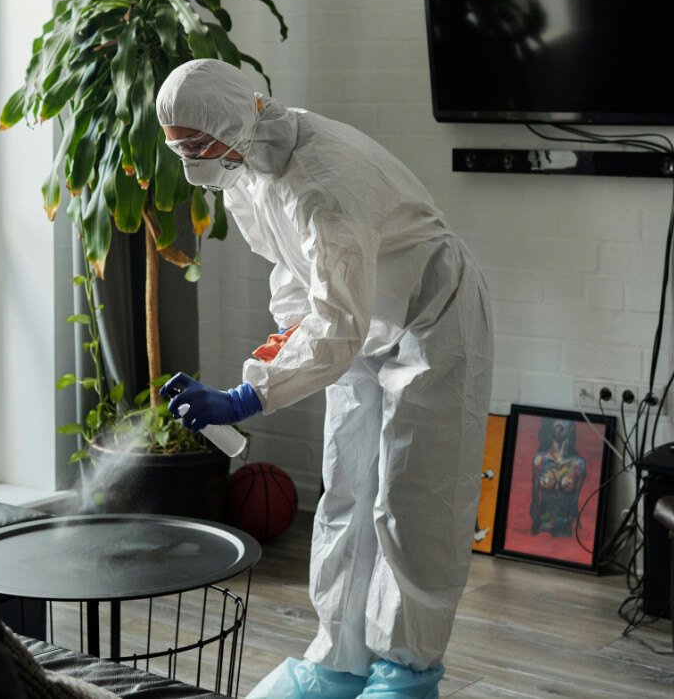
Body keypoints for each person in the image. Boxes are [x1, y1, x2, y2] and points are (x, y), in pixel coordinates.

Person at [157, 58, 492, 699]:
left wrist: (246, 394)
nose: (193, 157)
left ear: (233, 116)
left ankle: (404, 674)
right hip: (361, 325)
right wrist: (286, 336)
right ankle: (338, 663)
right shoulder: (247, 165)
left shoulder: (320, 181)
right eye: (181, 147)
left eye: (198, 143)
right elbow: (292, 266)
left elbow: (336, 323)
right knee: (346, 489)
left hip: (431, 316)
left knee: (412, 501)